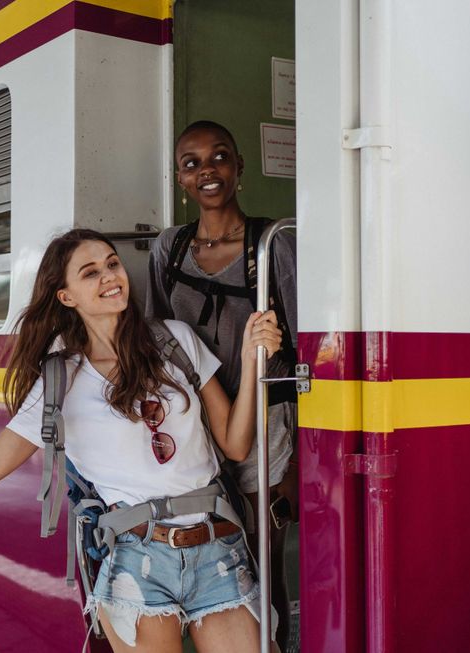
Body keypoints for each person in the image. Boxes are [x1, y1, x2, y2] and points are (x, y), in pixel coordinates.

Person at [0, 228, 282, 653]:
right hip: (139, 561)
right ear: (66, 297)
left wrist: (250, 361)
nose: (109, 276)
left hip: (217, 547)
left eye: (112, 264)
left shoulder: (176, 341)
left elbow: (236, 445)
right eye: (90, 272)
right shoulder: (60, 380)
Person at [146, 120, 299, 647]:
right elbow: (158, 339)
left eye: (219, 158)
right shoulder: (169, 248)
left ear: (238, 168)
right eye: (192, 163)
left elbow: (303, 352)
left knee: (262, 559)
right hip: (195, 422)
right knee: (212, 554)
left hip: (261, 420)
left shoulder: (272, 241)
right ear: (180, 179)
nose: (206, 170)